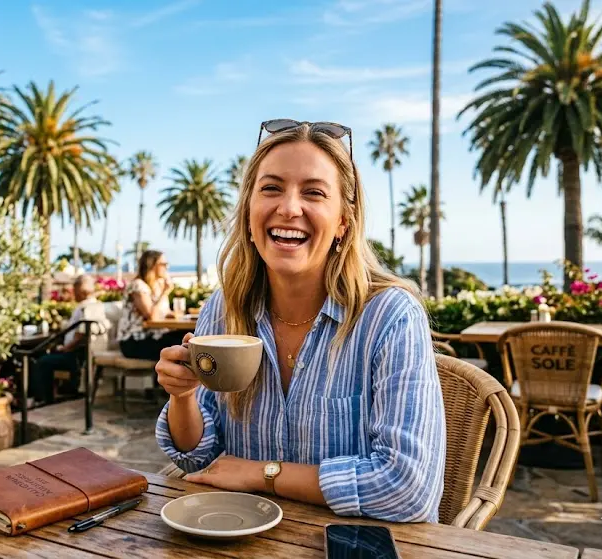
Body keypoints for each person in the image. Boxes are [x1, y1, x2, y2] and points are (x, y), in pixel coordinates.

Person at [154, 121, 446, 523]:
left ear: (344, 221)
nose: (289, 208)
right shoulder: (224, 309)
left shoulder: (391, 317)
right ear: (249, 212)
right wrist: (182, 396)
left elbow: (408, 488)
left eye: (314, 193)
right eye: (271, 188)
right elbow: (198, 457)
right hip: (244, 543)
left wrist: (262, 474)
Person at [29, 274, 109, 405]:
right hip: (79, 354)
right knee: (43, 357)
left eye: (75, 290)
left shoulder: (86, 308)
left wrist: (65, 348)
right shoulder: (95, 305)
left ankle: (43, 399)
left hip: (75, 355)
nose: (73, 294)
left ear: (81, 291)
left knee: (42, 362)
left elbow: (80, 335)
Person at [116, 250, 184, 361]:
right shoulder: (138, 286)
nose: (167, 267)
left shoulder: (158, 285)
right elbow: (152, 317)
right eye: (163, 264)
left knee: (189, 337)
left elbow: (164, 314)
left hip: (155, 336)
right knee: (179, 345)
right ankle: (163, 377)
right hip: (134, 340)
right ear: (152, 265)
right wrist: (165, 292)